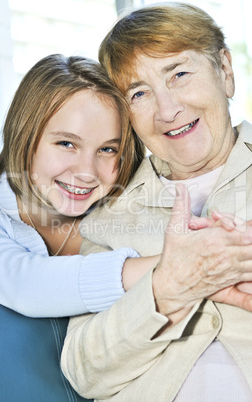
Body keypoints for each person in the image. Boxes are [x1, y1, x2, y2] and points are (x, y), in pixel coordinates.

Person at [61, 3, 252, 401]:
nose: (167, 110)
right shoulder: (106, 217)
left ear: (225, 71)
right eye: (139, 93)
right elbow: (83, 370)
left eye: (179, 74)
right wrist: (167, 289)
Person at [0, 53, 164, 401]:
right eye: (66, 143)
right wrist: (177, 268)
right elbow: (22, 282)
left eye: (107, 150)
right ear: (27, 136)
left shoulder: (130, 206)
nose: (86, 171)